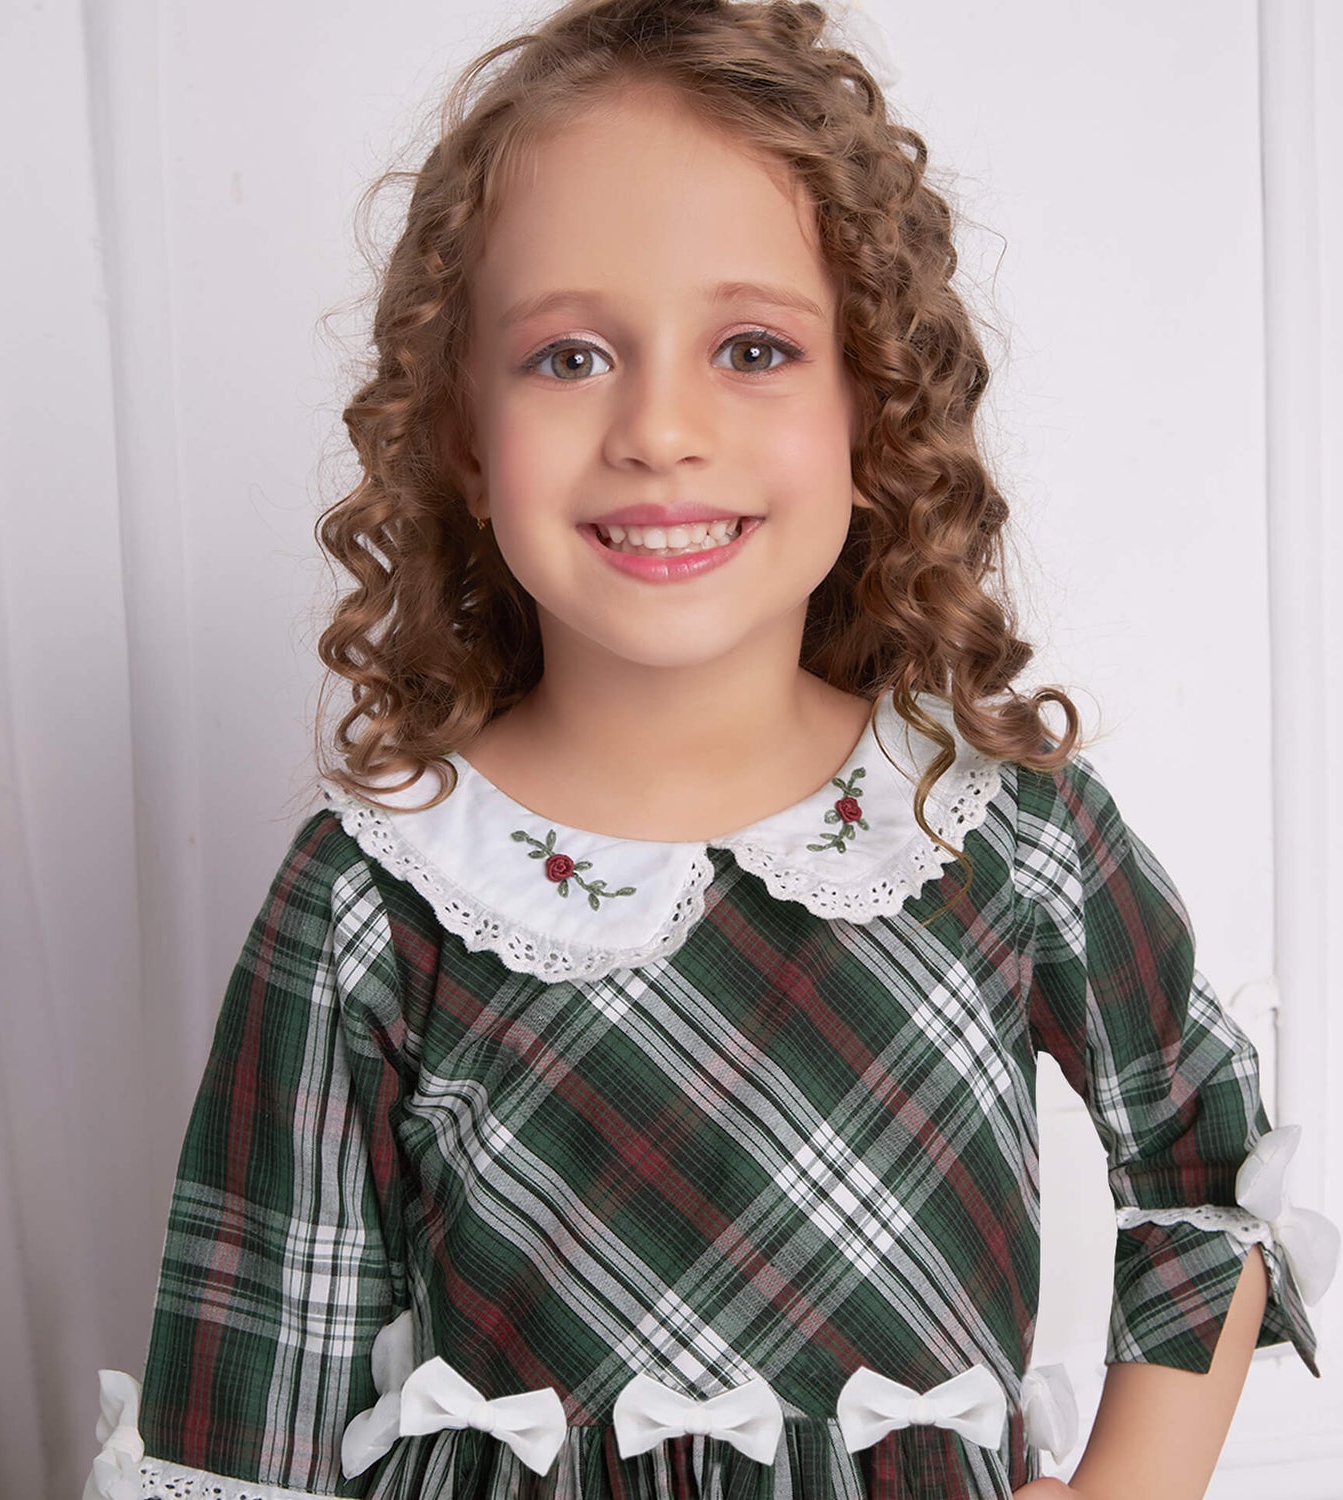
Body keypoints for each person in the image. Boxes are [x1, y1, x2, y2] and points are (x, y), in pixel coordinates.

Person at [83, 2, 1338, 1497]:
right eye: (567, 357)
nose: (661, 429)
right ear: (464, 436)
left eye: (752, 346)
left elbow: (1204, 1176)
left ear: (871, 407)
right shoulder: (382, 887)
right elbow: (255, 1397)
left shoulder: (993, 826)